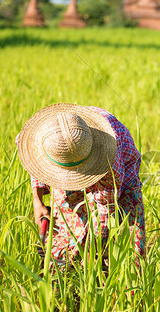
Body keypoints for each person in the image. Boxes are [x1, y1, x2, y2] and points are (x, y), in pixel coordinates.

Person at [16, 103, 145, 266]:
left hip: (118, 171)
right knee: (65, 223)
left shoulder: (109, 164)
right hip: (73, 152)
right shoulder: (44, 135)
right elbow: (35, 161)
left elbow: (106, 211)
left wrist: (92, 255)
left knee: (126, 233)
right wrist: (38, 200)